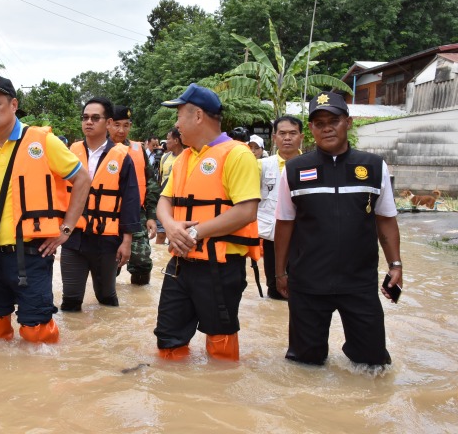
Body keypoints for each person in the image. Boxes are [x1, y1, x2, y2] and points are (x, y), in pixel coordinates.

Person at [0, 73, 90, 343]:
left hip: (31, 255)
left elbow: (82, 178)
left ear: (13, 105)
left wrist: (66, 228)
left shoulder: (42, 142)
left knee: (37, 334)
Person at [274, 91, 402, 367]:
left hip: (359, 282)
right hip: (308, 281)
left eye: (333, 120)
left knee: (372, 364)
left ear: (348, 122)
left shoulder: (373, 166)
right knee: (304, 364)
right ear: (311, 129)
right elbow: (285, 223)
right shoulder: (295, 170)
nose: (327, 127)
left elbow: (386, 219)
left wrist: (396, 263)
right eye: (319, 123)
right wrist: (280, 272)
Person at [154, 83, 260, 361]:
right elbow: (164, 201)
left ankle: (220, 398)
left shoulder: (238, 154)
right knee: (168, 340)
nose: (176, 125)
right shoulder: (183, 158)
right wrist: (173, 227)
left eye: (178, 116)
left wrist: (195, 233)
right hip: (180, 264)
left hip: (220, 267)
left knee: (220, 343)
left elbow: (246, 211)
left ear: (198, 116)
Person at [60, 99, 141, 311]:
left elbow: (130, 200)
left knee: (107, 298)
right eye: (85, 117)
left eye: (95, 118)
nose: (89, 122)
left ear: (108, 123)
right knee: (70, 300)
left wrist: (127, 241)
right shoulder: (70, 152)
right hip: (74, 238)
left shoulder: (123, 157)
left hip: (107, 240)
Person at [108, 105, 160, 285]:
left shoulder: (139, 151)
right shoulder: (99, 150)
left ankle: (140, 306)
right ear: (108, 124)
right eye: (116, 125)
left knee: (142, 262)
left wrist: (152, 217)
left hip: (137, 215)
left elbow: (152, 185)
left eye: (126, 125)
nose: (121, 130)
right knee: (108, 266)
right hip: (107, 216)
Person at [256, 116, 303, 300]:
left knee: (302, 287)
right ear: (274, 138)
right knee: (275, 287)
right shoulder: (261, 166)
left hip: (304, 237)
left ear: (302, 137)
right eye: (282, 134)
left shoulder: (312, 165)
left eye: (293, 133)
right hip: (272, 235)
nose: (287, 138)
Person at [155, 128, 185, 245]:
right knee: (161, 233)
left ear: (176, 140)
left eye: (168, 139)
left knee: (176, 235)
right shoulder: (164, 157)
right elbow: (160, 179)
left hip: (179, 202)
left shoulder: (186, 156)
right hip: (165, 201)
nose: (166, 142)